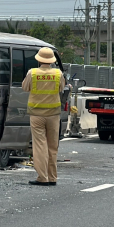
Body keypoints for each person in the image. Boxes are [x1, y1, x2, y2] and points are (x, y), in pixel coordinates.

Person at [22, 47, 67, 186]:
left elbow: (25, 87)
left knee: (39, 145)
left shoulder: (32, 73)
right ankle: (52, 177)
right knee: (53, 146)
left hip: (36, 114)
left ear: (39, 59)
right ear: (52, 61)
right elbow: (62, 88)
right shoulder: (58, 73)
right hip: (53, 114)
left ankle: (42, 177)